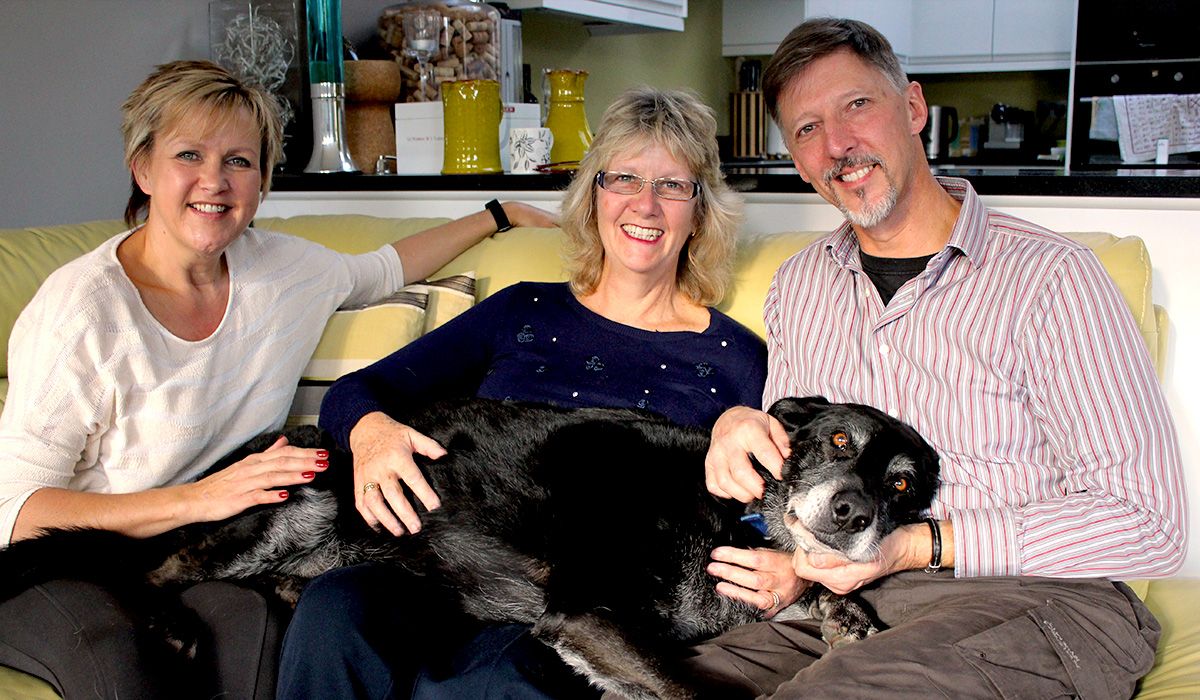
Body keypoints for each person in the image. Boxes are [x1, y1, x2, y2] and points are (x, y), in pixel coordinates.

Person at [0, 59, 555, 699]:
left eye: (239, 161)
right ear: (142, 167)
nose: (214, 181)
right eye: (189, 154)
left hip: (194, 550)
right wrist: (201, 498)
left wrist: (498, 211)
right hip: (57, 562)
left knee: (257, 631)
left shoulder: (285, 272)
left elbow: (383, 268)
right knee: (121, 660)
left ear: (263, 182)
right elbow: (15, 512)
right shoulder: (82, 308)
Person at [694, 17, 1187, 699]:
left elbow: (1150, 524)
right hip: (850, 599)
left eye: (856, 105)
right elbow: (809, 483)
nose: (837, 144)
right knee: (656, 683)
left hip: (1038, 598)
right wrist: (736, 432)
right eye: (806, 129)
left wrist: (915, 546)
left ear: (915, 107)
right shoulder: (801, 284)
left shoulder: (1053, 278)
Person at [275, 87, 789, 699]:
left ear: (701, 211)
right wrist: (373, 432)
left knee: (500, 679)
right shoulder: (524, 309)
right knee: (336, 606)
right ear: (593, 194)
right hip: (452, 561)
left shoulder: (737, 359)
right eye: (623, 179)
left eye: (672, 186)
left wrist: (793, 571)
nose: (645, 205)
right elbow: (360, 389)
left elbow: (775, 498)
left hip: (593, 598)